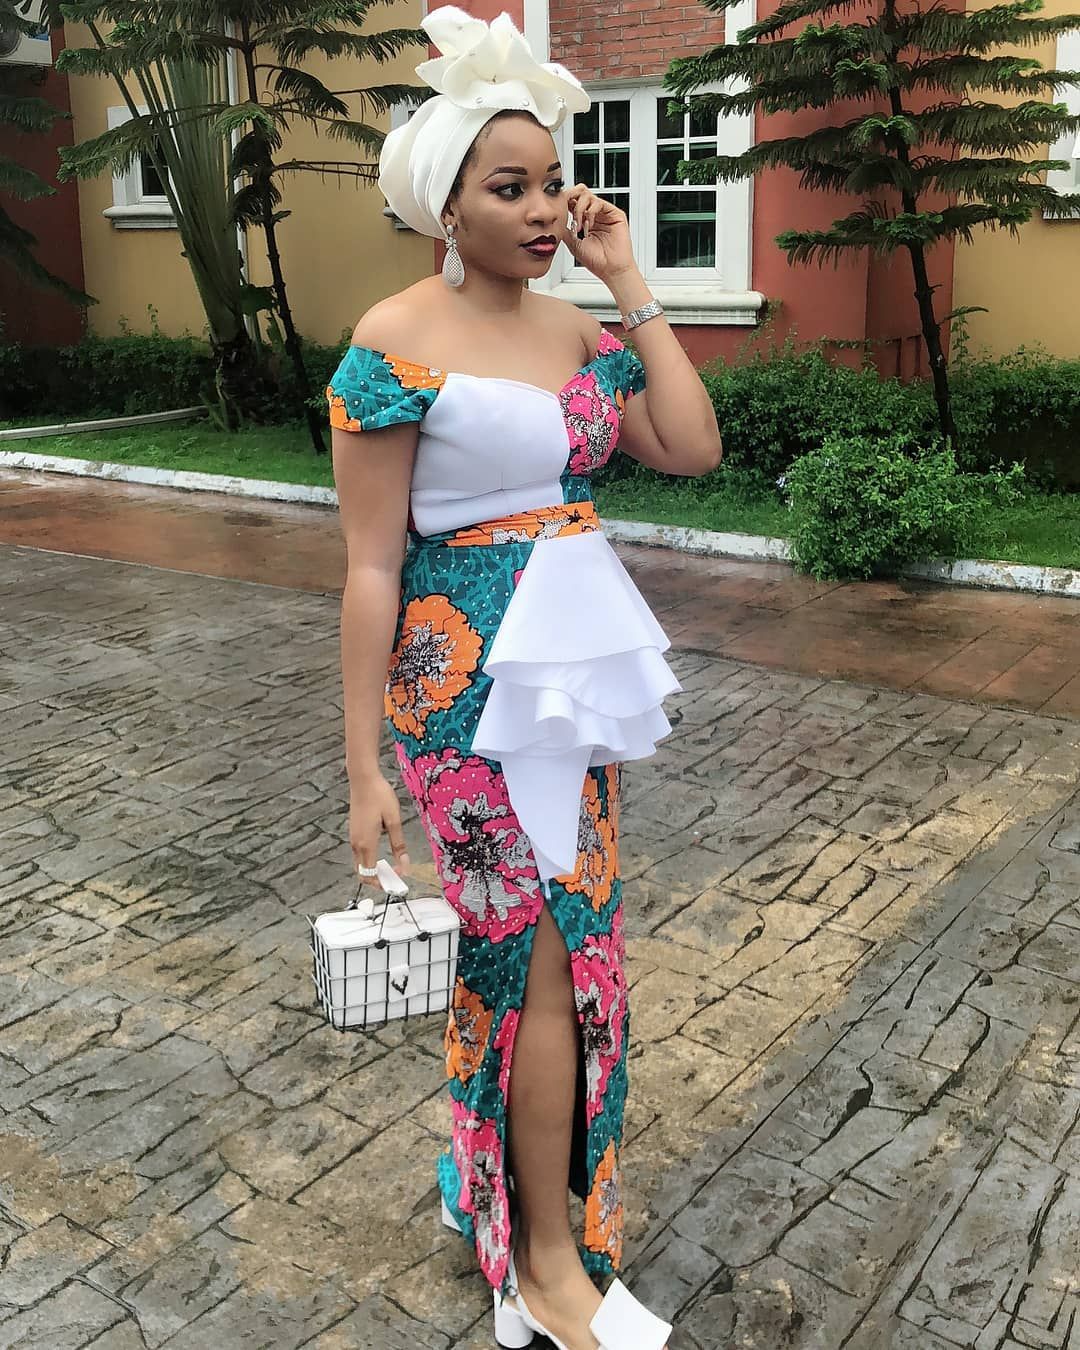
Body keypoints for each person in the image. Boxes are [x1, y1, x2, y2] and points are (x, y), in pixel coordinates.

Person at [327, 9, 722, 1348]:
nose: (547, 209)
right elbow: (369, 567)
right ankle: (548, 1261)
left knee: (569, 947)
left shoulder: (576, 330)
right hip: (458, 692)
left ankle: (497, 1193)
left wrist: (631, 281)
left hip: (572, 686)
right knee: (535, 955)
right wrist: (363, 770)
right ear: (446, 204)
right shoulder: (393, 339)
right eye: (512, 188)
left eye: (554, 183)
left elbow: (691, 445)